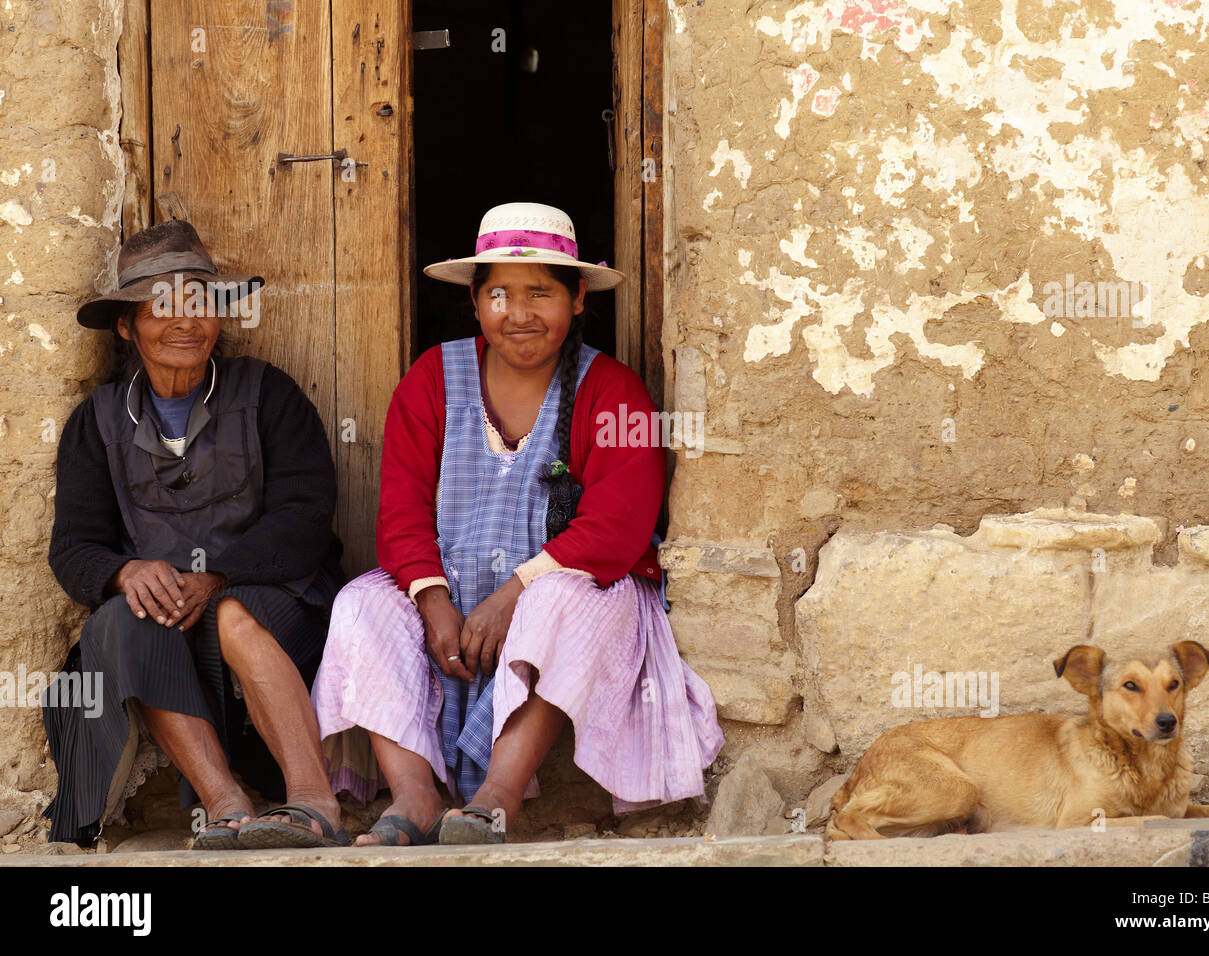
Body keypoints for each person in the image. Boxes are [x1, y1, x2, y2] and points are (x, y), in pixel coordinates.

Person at [312, 202, 724, 845]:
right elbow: (400, 510)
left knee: (558, 604)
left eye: (541, 293)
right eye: (499, 293)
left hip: (575, 588)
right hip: (447, 586)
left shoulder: (613, 392)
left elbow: (619, 525)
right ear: (476, 303)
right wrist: (432, 598)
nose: (519, 313)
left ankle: (496, 798)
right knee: (362, 603)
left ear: (578, 297)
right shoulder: (431, 380)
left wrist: (515, 592)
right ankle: (414, 796)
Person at [44, 219, 349, 849]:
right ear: (127, 325)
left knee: (236, 614)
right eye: (162, 306)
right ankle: (226, 804)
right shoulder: (95, 422)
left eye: (200, 303)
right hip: (166, 619)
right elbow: (74, 548)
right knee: (124, 619)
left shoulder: (268, 394)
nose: (186, 322)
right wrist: (125, 572)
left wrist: (219, 575)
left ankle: (314, 803)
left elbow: (307, 515)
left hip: (266, 597)